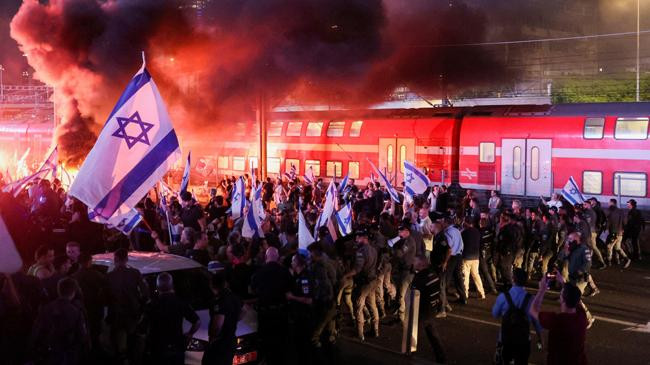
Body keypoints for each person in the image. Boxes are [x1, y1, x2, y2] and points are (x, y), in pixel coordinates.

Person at [529, 274, 588, 365]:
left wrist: (542, 289)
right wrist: (563, 283)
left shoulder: (557, 321)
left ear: (562, 299)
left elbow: (533, 310)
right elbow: (575, 296)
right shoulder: (581, 315)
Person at [31, 277, 90, 365]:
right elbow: (82, 335)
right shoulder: (76, 311)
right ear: (74, 292)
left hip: (49, 351)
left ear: (58, 290)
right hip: (69, 352)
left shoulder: (46, 308)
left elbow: (36, 331)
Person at [106, 248, 149, 365]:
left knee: (116, 341)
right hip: (132, 313)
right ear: (127, 259)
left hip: (116, 313)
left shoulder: (109, 276)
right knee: (132, 339)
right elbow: (144, 293)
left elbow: (105, 296)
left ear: (115, 259)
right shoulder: (135, 273)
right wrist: (141, 307)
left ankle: (120, 358)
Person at [250, 247, 293, 365]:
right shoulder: (285, 271)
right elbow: (291, 289)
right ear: (278, 257)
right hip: (281, 313)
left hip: (265, 314)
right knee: (281, 342)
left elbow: (253, 290)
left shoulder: (258, 272)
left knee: (266, 342)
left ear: (266, 257)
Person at [146, 272, 200, 365]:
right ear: (172, 286)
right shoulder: (180, 303)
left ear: (157, 287)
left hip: (158, 349)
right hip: (177, 347)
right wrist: (190, 334)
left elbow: (144, 327)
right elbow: (197, 321)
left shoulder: (152, 305)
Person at [492, 268, 542, 365]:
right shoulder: (531, 299)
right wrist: (541, 338)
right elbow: (536, 321)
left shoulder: (503, 296)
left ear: (513, 279)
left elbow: (495, 314)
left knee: (503, 360)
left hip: (505, 339)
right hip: (523, 340)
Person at [342, 229, 379, 340]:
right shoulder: (373, 249)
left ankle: (360, 334)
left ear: (364, 238)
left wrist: (346, 275)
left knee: (358, 306)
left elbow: (357, 269)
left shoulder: (361, 252)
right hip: (373, 280)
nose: (356, 240)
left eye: (358, 238)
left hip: (364, 283)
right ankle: (375, 330)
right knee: (372, 306)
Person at [411, 255, 447, 363]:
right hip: (432, 309)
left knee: (411, 333)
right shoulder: (434, 274)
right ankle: (441, 356)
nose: (413, 264)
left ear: (421, 265)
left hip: (421, 311)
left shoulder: (419, 278)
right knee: (432, 333)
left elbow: (413, 294)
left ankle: (410, 354)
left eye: (415, 262)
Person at [73, 253, 108, 357]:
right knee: (95, 330)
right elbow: (105, 287)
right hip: (95, 308)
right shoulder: (96, 275)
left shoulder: (74, 277)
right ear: (89, 261)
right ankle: (96, 350)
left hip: (81, 309)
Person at [203, 272, 243, 365]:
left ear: (211, 284)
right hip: (231, 340)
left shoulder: (219, 301)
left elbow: (217, 325)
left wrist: (212, 338)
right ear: (225, 283)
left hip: (220, 343)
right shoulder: (234, 297)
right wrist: (232, 319)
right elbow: (244, 310)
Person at [287, 254, 315, 363]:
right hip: (298, 316)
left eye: (293, 261)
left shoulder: (304, 279)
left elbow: (309, 300)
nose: (291, 263)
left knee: (304, 345)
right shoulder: (297, 276)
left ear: (298, 263)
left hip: (304, 317)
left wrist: (291, 297)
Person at [442, 218, 467, 305]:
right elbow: (462, 244)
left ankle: (443, 300)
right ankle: (463, 297)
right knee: (458, 278)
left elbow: (449, 247)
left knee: (446, 278)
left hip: (451, 257)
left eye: (443, 222)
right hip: (459, 256)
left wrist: (445, 261)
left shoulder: (447, 232)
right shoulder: (457, 231)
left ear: (446, 223)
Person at [461, 217, 486, 300]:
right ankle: (481, 293)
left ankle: (465, 294)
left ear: (466, 223)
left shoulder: (464, 233)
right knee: (476, 275)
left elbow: (462, 244)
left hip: (466, 257)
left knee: (466, 276)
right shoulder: (477, 232)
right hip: (476, 257)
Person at [605, 199, 631, 268]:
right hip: (620, 232)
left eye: (609, 202)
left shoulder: (611, 211)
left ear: (612, 203)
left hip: (614, 232)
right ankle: (626, 259)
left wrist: (607, 229)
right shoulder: (621, 211)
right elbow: (625, 222)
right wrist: (623, 229)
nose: (608, 204)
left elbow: (609, 222)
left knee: (609, 246)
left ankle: (609, 261)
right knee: (617, 247)